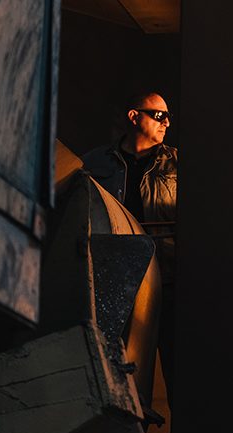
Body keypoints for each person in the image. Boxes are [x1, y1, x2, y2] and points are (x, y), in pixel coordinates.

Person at [81, 91, 176, 413]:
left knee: (177, 369)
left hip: (167, 277)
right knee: (113, 368)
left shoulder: (178, 164)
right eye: (158, 115)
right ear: (134, 117)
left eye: (167, 116)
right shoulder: (95, 163)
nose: (166, 122)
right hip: (113, 279)